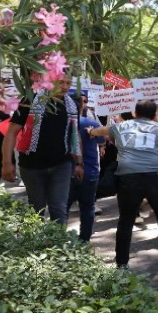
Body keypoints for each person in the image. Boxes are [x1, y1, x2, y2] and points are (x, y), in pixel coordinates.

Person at [88, 100, 158, 290]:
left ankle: (122, 267)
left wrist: (90, 132)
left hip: (128, 180)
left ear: (134, 113)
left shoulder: (120, 126)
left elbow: (102, 131)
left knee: (125, 222)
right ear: (154, 113)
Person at [2, 75, 83, 225]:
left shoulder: (73, 104)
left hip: (61, 164)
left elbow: (75, 133)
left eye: (68, 83)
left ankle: (58, 247)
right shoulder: (31, 99)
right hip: (32, 166)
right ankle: (37, 247)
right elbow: (12, 131)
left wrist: (79, 162)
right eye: (61, 82)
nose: (65, 86)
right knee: (37, 210)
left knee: (59, 209)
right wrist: (7, 162)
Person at [69, 98, 106, 242]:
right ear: (82, 106)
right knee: (88, 206)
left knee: (62, 206)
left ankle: (57, 239)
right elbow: (102, 141)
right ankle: (84, 239)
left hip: (67, 172)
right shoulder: (91, 123)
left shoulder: (63, 124)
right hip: (90, 171)